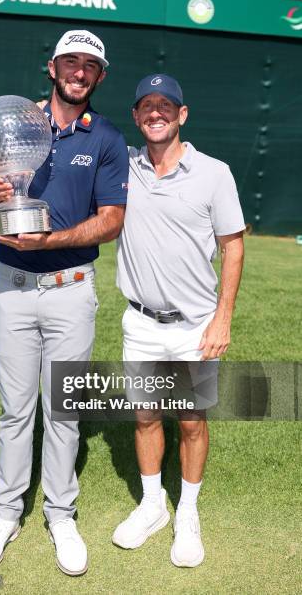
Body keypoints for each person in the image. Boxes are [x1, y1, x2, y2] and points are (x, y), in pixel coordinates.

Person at [0, 29, 128, 576]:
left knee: (63, 412)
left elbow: (110, 221)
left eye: (90, 65)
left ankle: (61, 515)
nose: (78, 72)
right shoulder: (17, 122)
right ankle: (6, 512)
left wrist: (50, 241)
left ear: (99, 76)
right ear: (52, 67)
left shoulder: (104, 138)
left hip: (70, 291)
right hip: (11, 288)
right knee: (16, 412)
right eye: (70, 62)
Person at [113, 74, 245, 567]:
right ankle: (152, 506)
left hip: (195, 325)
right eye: (147, 106)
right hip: (141, 322)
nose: (156, 113)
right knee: (146, 416)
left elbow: (233, 246)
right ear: (136, 115)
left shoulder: (214, 173)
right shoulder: (122, 167)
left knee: (191, 421)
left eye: (165, 106)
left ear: (181, 115)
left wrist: (222, 318)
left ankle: (187, 512)